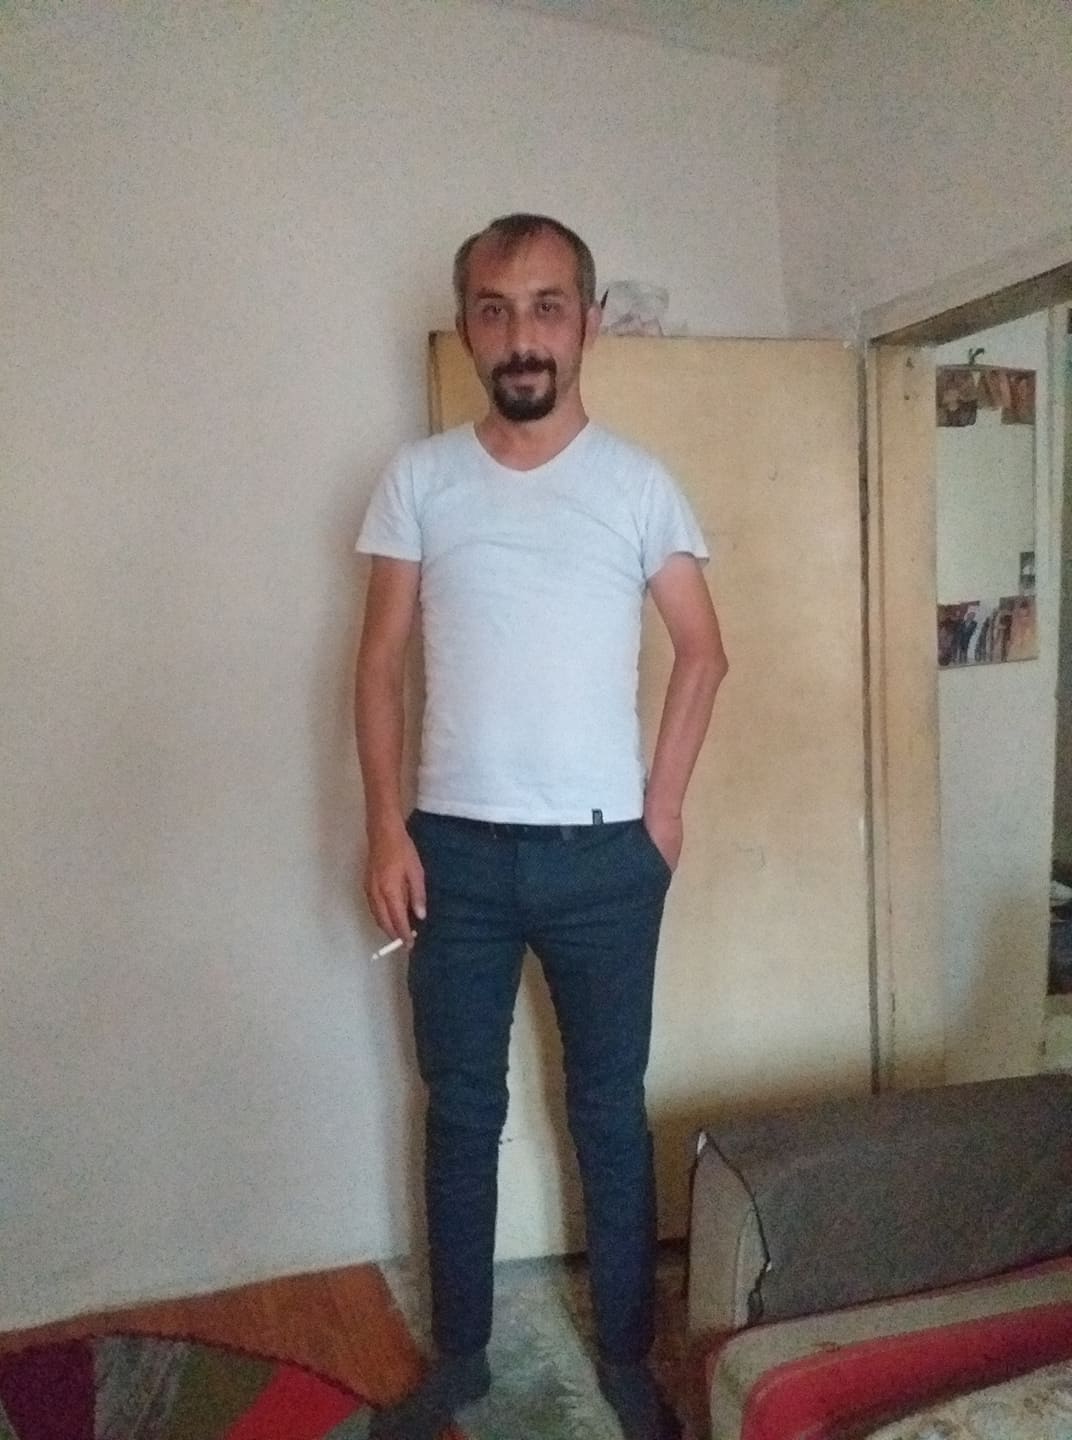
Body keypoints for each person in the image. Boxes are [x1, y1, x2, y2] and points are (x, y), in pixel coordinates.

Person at [354, 213, 727, 1440]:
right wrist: (385, 829)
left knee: (609, 1114)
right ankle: (462, 1360)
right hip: (450, 855)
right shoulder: (419, 479)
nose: (522, 334)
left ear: (588, 323)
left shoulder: (637, 482)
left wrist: (659, 817)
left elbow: (704, 651)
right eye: (496, 308)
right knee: (461, 1111)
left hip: (606, 859)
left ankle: (623, 1360)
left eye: (548, 306)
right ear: (468, 327)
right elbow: (377, 662)